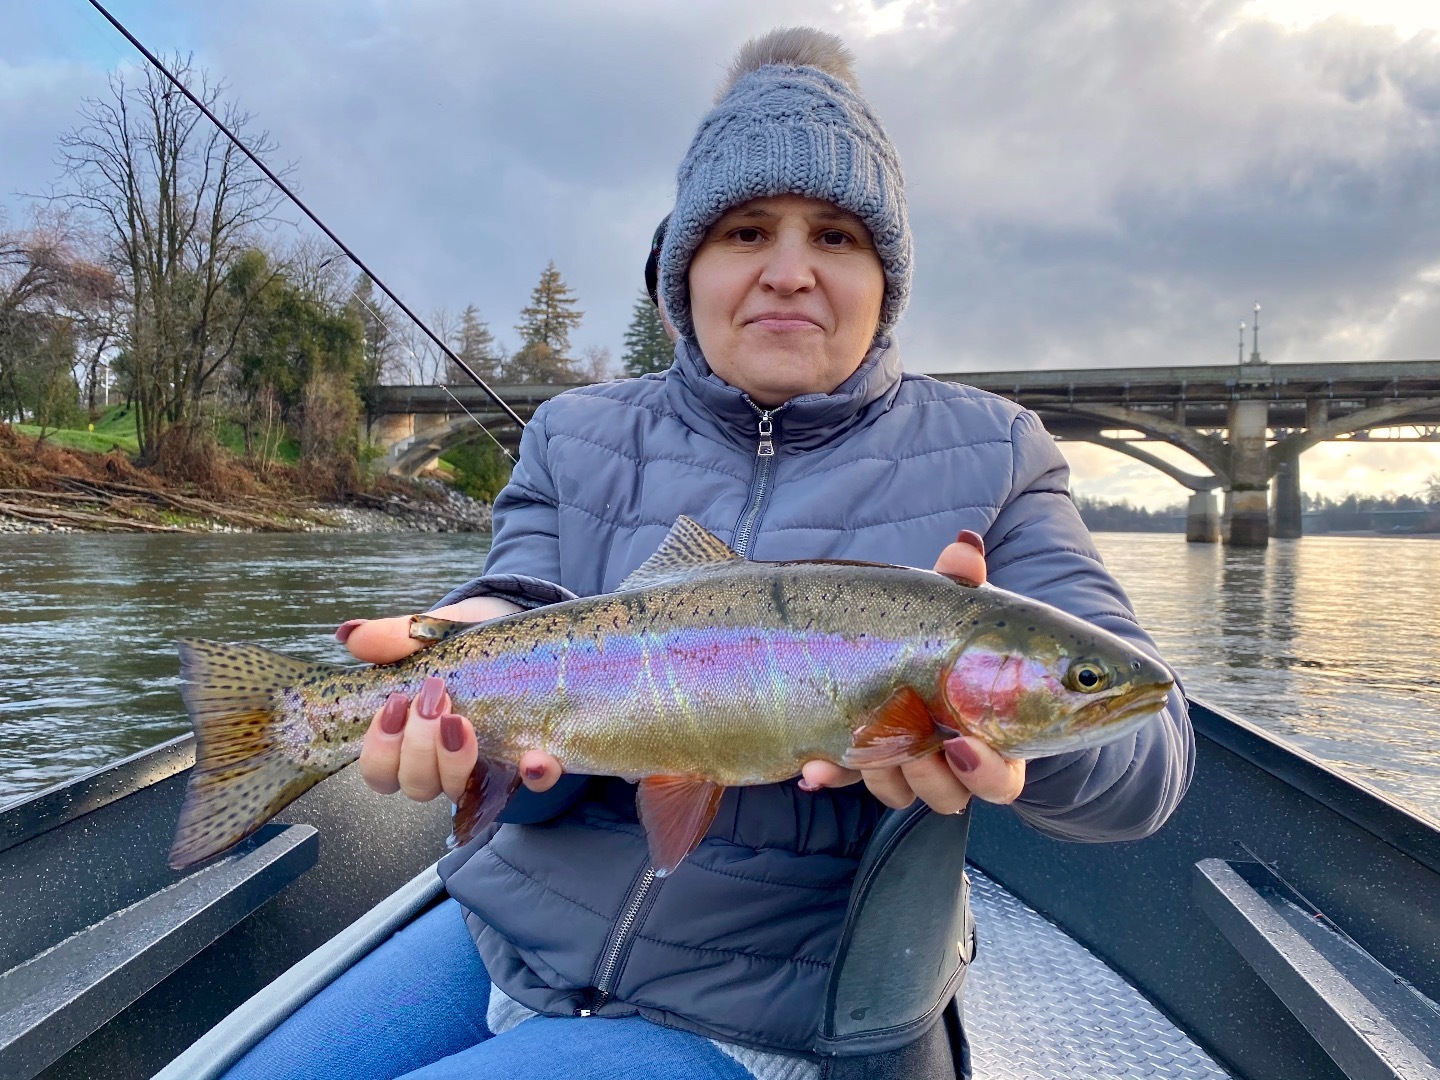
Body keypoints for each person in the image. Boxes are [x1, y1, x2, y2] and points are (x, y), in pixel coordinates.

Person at [226, 26, 1192, 1080]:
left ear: (887, 275)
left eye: (835, 235)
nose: (789, 272)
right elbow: (512, 603)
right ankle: (287, 719)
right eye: (744, 232)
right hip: (504, 934)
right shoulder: (572, 432)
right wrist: (462, 653)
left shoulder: (996, 455)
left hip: (783, 1012)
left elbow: (1153, 753)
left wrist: (1020, 759)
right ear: (683, 267)